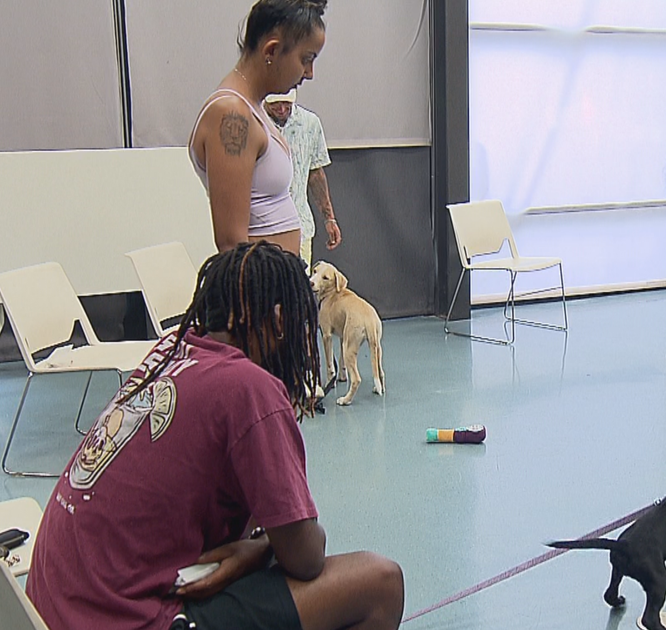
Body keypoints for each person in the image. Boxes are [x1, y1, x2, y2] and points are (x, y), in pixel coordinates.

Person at [26, 242, 404, 630]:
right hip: (126, 620)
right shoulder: (249, 388)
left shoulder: (169, 352)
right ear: (278, 320)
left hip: (51, 609)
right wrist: (263, 547)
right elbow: (306, 557)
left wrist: (259, 547)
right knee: (380, 582)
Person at [188, 0, 330, 256]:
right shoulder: (231, 114)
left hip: (279, 286)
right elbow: (233, 247)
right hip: (263, 292)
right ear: (271, 51)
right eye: (306, 59)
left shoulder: (252, 109)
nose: (309, 73)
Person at [264, 89, 342, 264]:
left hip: (300, 226)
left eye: (287, 103)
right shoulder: (253, 123)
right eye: (275, 103)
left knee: (299, 286)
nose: (282, 109)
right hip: (262, 229)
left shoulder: (310, 124)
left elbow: (316, 174)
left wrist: (329, 218)